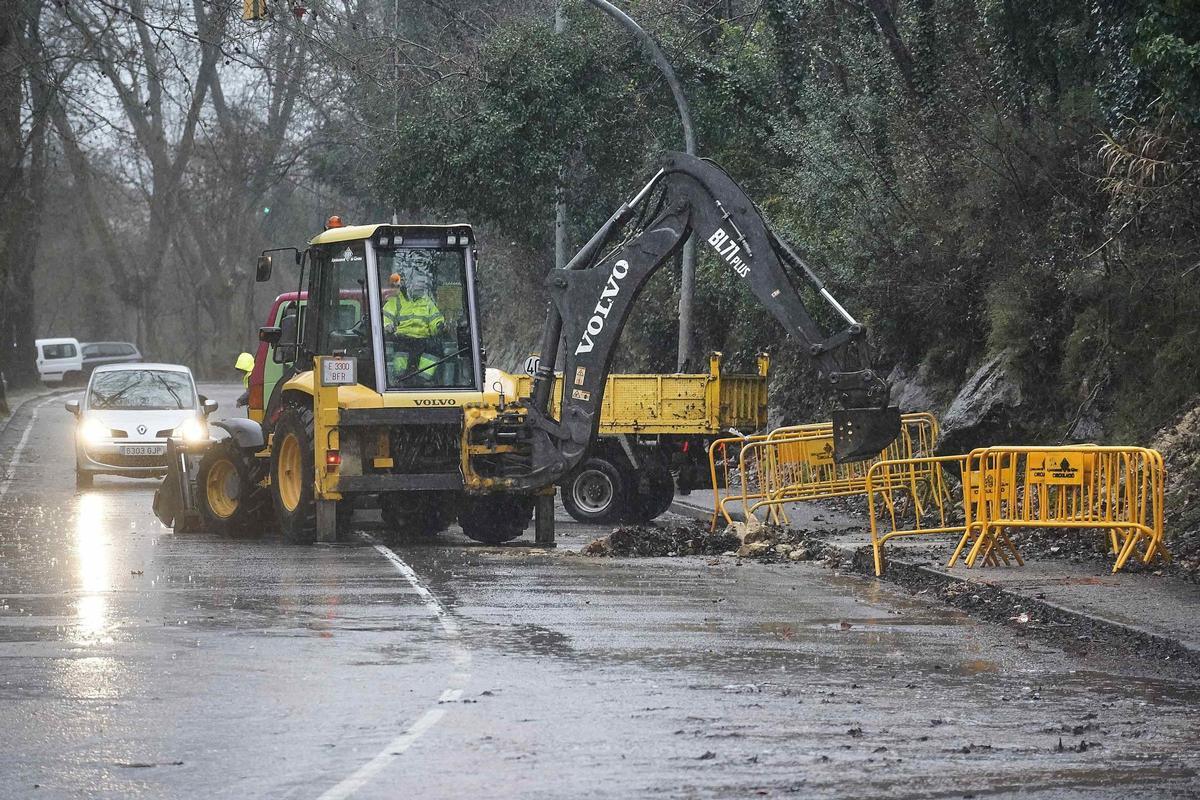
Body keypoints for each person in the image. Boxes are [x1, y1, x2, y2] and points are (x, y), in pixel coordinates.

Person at [382, 271, 444, 386]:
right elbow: (386, 317)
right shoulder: (396, 301)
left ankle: (423, 379)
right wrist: (387, 326)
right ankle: (401, 378)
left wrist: (439, 325)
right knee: (401, 353)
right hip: (403, 338)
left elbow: (435, 318)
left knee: (434, 349)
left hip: (423, 340)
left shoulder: (427, 302)